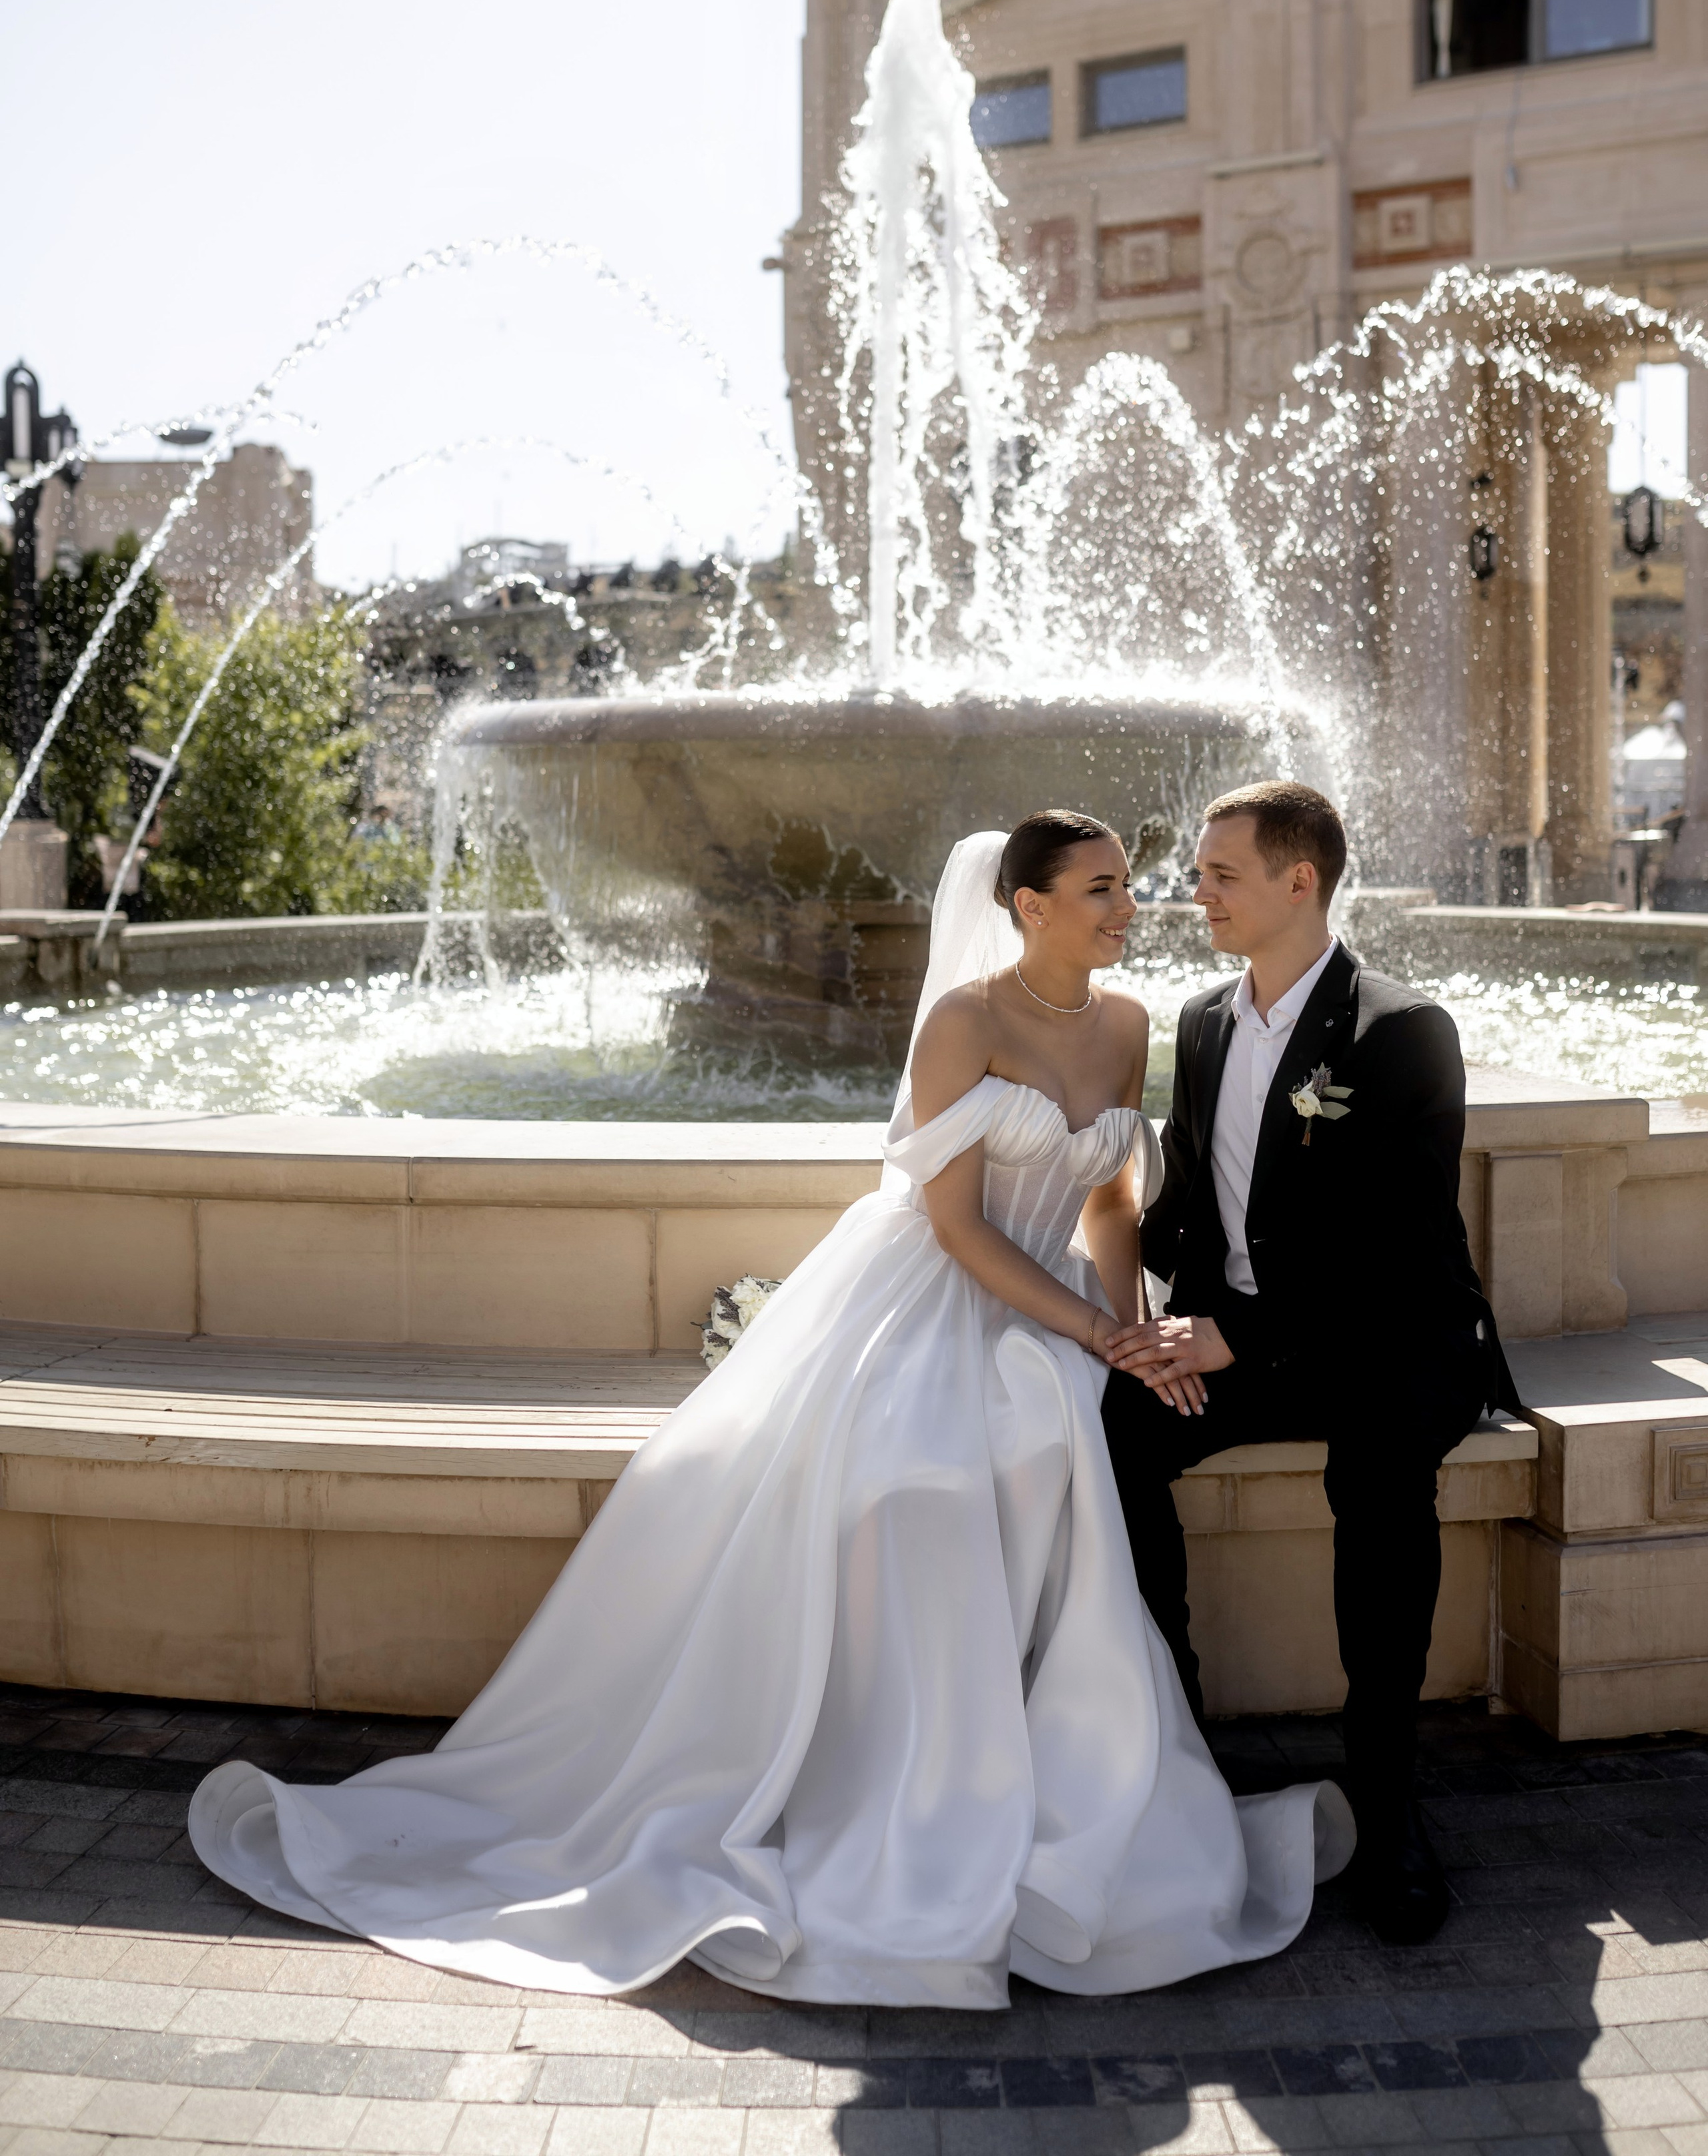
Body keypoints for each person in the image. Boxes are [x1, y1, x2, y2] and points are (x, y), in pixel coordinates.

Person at [189, 812, 1351, 2005]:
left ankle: (1061, 1776)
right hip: (932, 1297)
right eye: (1102, 890)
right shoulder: (963, 1021)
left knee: (1054, 1432)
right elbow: (953, 1228)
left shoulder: (1126, 1023)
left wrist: (1136, 1334)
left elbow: (1109, 1204)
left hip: (1055, 1306)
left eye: (1129, 888)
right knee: (917, 1481)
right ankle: (883, 1786)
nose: (1129, 909)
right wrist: (1092, 1331)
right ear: (1029, 906)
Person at [1101, 780, 1521, 1948]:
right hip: (1246, 1333)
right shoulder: (1202, 1021)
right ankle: (1177, 1742)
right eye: (1197, 871)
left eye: (1220, 874)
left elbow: (1392, 1243)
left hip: (1396, 1336)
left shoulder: (1400, 1031)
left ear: (1301, 882)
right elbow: (1187, 1204)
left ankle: (1387, 1798)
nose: (1197, 893)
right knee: (1117, 1423)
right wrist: (1143, 1321)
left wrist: (1233, 1337)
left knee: (1381, 1463)